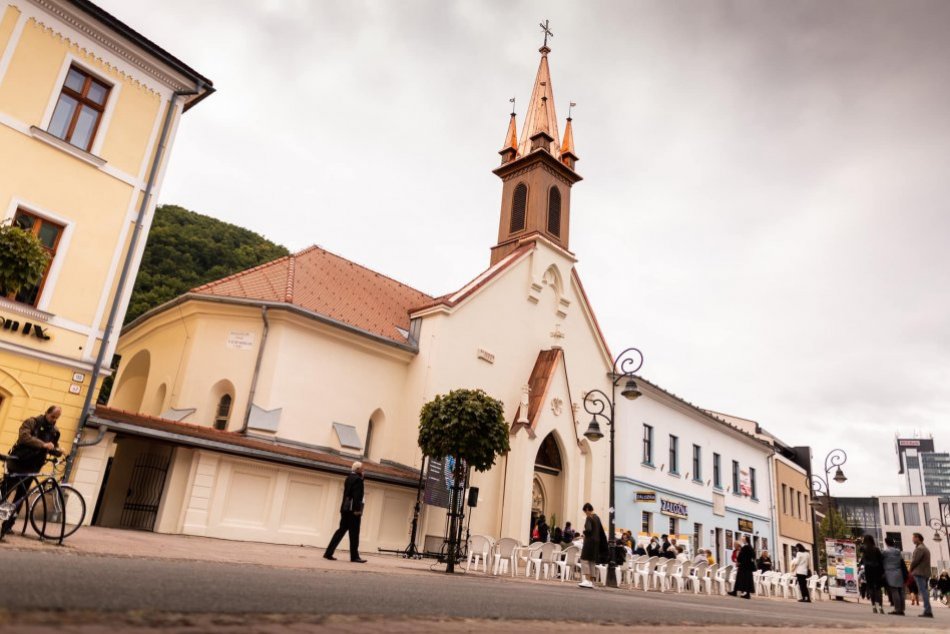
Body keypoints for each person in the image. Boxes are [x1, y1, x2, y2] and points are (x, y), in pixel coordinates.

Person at [1, 406, 62, 538]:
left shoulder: (54, 431)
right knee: (5, 492)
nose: (54, 420)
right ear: (46, 413)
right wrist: (43, 444)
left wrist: (57, 451)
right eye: (53, 417)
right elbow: (24, 437)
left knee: (21, 497)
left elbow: (52, 448)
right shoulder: (32, 422)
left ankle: (7, 526)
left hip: (33, 467)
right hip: (18, 463)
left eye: (57, 418)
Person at [323, 461, 367, 563]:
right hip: (353, 511)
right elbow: (357, 496)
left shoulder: (348, 478)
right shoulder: (358, 480)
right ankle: (354, 557)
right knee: (354, 534)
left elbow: (350, 492)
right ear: (358, 470)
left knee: (341, 531)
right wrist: (357, 510)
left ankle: (328, 553)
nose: (364, 470)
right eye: (362, 469)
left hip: (345, 509)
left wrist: (362, 478)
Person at [577, 502, 608, 589]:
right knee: (592, 562)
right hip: (596, 542)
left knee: (584, 559)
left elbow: (588, 529)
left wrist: (584, 533)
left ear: (587, 509)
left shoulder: (589, 517)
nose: (585, 513)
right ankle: (591, 581)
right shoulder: (597, 517)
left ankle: (587, 580)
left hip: (589, 541)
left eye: (585, 511)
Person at [909, 532, 933, 618]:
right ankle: (928, 610)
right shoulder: (925, 548)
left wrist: (910, 569)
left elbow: (915, 561)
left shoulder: (920, 549)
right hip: (925, 573)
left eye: (913, 538)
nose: (912, 539)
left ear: (918, 538)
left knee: (923, 591)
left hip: (919, 573)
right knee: (924, 591)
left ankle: (927, 611)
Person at [860, 534, 885, 614]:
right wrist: (882, 571)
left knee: (870, 588)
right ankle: (880, 606)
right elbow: (881, 561)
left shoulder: (864, 550)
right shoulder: (876, 549)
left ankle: (873, 606)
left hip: (868, 570)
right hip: (877, 570)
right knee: (878, 589)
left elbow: (861, 558)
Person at [882, 536, 907, 615]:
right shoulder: (898, 551)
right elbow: (901, 561)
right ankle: (902, 609)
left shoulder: (885, 552)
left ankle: (897, 609)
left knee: (894, 591)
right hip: (898, 572)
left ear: (886, 543)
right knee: (900, 591)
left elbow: (882, 561)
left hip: (890, 572)